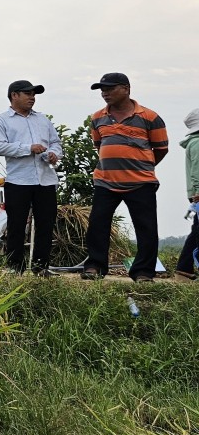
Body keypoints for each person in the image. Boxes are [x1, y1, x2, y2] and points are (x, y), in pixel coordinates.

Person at [83, 73, 169, 282]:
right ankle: (95, 266)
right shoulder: (97, 118)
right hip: (105, 181)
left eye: (110, 88)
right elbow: (99, 146)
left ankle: (143, 272)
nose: (104, 93)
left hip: (141, 182)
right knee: (98, 224)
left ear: (126, 89)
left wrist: (140, 166)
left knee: (146, 227)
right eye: (102, 89)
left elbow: (161, 149)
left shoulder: (150, 117)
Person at [0, 80, 61, 275]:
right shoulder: (1, 120)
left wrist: (55, 153)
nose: (32, 97)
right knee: (16, 224)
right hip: (18, 180)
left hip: (45, 179)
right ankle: (15, 266)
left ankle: (41, 266)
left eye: (33, 94)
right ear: (14, 95)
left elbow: (56, 142)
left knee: (46, 224)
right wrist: (28, 148)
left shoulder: (43, 119)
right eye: (27, 94)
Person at [177, 108, 199, 279]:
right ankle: (184, 268)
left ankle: (184, 268)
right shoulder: (198, 143)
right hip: (198, 193)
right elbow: (197, 171)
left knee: (197, 230)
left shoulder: (194, 142)